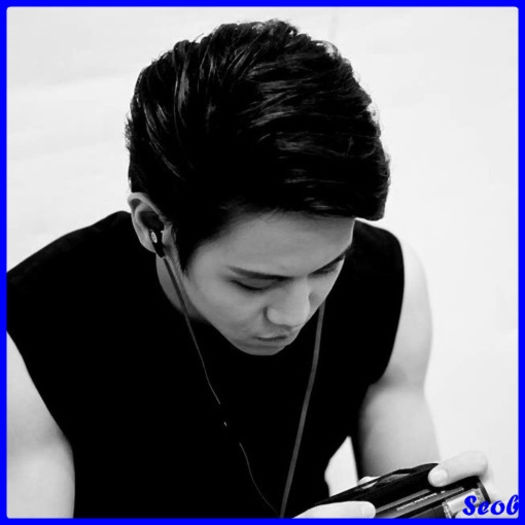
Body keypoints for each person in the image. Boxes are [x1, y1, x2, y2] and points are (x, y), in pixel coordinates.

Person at [7, 19, 493, 518]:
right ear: (154, 226)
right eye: (256, 282)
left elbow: (411, 495)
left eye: (328, 268)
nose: (294, 314)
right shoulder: (30, 331)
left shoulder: (388, 282)